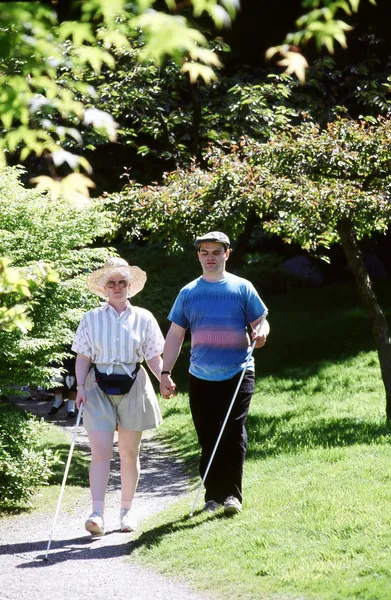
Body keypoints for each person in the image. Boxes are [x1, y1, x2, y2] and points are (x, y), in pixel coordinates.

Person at [160, 231, 269, 516]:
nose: (210, 257)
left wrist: (261, 334)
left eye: (216, 252)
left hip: (239, 370)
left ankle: (232, 496)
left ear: (227, 254)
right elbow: (175, 335)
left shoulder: (242, 288)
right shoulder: (188, 293)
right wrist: (165, 372)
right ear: (198, 255)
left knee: (232, 431)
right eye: (205, 252)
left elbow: (261, 321)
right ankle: (213, 496)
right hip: (201, 374)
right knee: (208, 436)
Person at [72, 257, 164, 536]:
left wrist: (165, 379)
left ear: (129, 286)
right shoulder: (91, 318)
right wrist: (80, 387)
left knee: (128, 453)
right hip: (97, 385)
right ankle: (97, 513)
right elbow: (83, 356)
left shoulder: (144, 318)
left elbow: (153, 356)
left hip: (134, 384)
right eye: (111, 282)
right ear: (103, 288)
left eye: (122, 282)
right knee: (100, 452)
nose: (117, 287)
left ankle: (126, 511)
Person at [48, 349, 78, 418]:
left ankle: (71, 407)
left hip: (75, 349)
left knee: (73, 379)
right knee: (56, 376)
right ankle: (58, 401)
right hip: (59, 346)